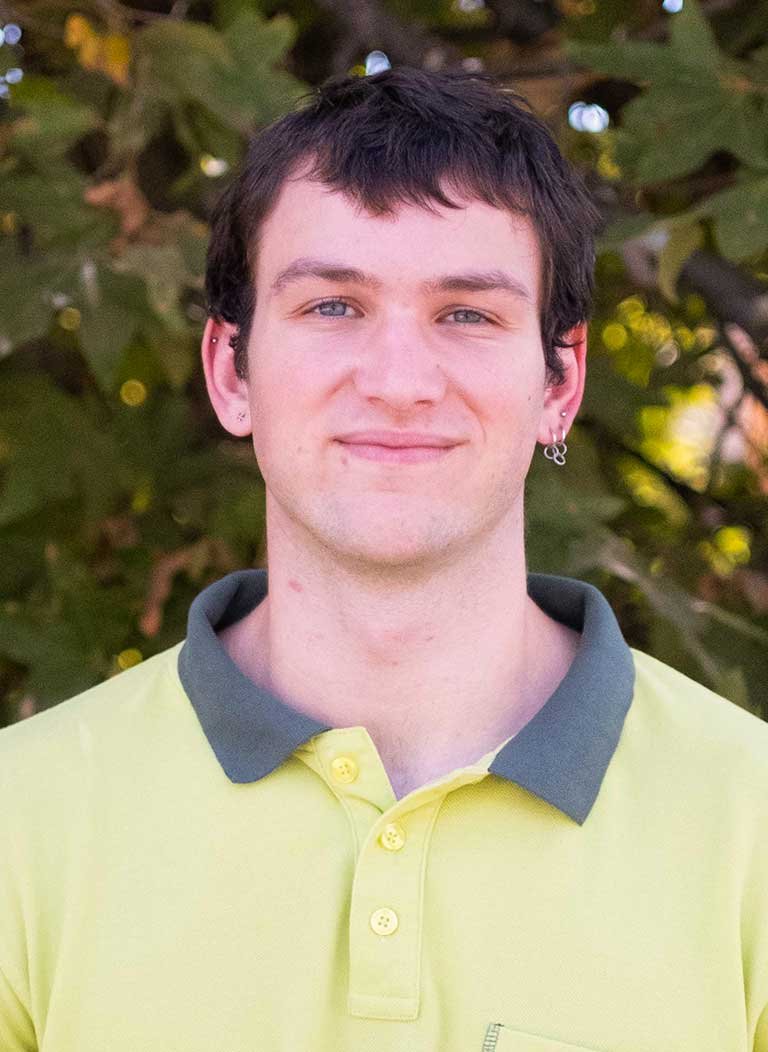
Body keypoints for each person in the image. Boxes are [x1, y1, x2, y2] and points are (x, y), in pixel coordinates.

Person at [1, 67, 766, 1052]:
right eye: (332, 306)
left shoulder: (748, 820)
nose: (400, 382)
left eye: (467, 314)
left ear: (560, 384)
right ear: (230, 373)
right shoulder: (24, 819)